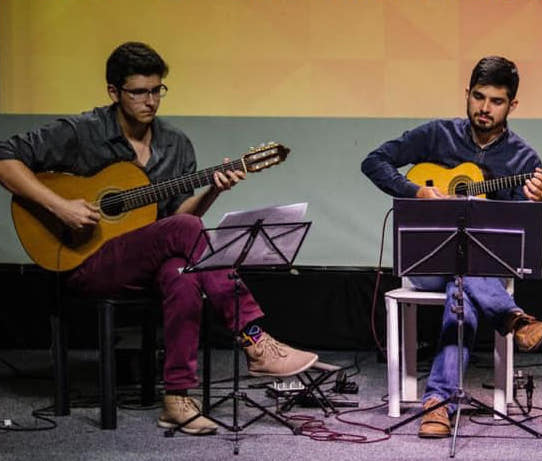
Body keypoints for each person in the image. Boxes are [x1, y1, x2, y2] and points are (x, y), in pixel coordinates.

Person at [0, 42, 319, 435]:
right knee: (185, 239)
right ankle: (255, 338)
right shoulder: (81, 132)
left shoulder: (175, 144)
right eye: (139, 92)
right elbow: (4, 157)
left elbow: (177, 223)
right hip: (82, 259)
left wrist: (214, 190)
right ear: (114, 92)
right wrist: (59, 207)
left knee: (182, 274)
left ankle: (177, 399)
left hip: (141, 263)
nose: (150, 101)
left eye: (157, 90)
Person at [361, 56, 542, 438]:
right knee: (459, 274)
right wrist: (415, 190)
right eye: (478, 97)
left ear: (512, 105)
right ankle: (513, 318)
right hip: (427, 263)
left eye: (496, 101)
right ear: (467, 94)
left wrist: (538, 202)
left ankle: (437, 402)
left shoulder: (523, 159)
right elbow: (375, 161)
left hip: (480, 267)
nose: (484, 108)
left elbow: (524, 233)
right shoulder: (438, 135)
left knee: (463, 285)